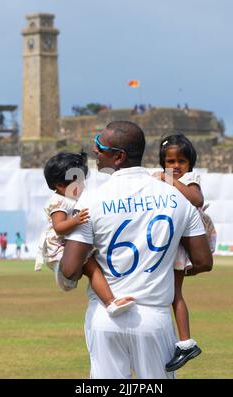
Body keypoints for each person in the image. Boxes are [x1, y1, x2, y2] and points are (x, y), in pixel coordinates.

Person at [60, 121, 213, 379]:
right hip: (154, 319)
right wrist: (166, 269)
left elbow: (70, 269)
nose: (96, 151)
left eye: (101, 146)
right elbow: (203, 260)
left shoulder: (91, 199)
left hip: (106, 317)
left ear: (119, 157)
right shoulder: (177, 197)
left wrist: (84, 261)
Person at [34, 151, 134, 316]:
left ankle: (111, 299)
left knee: (94, 266)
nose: (82, 186)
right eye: (77, 183)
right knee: (92, 266)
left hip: (67, 247)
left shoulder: (71, 200)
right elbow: (59, 227)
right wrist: (76, 220)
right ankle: (110, 302)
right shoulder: (58, 202)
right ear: (60, 185)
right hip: (59, 252)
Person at [154, 133, 217, 372]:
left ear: (190, 163)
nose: (176, 166)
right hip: (171, 237)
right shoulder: (160, 178)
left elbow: (196, 199)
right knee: (170, 292)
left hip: (185, 239)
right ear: (163, 162)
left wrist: (168, 180)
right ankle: (177, 340)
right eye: (170, 162)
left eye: (181, 161)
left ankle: (185, 342)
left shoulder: (190, 178)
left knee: (174, 294)